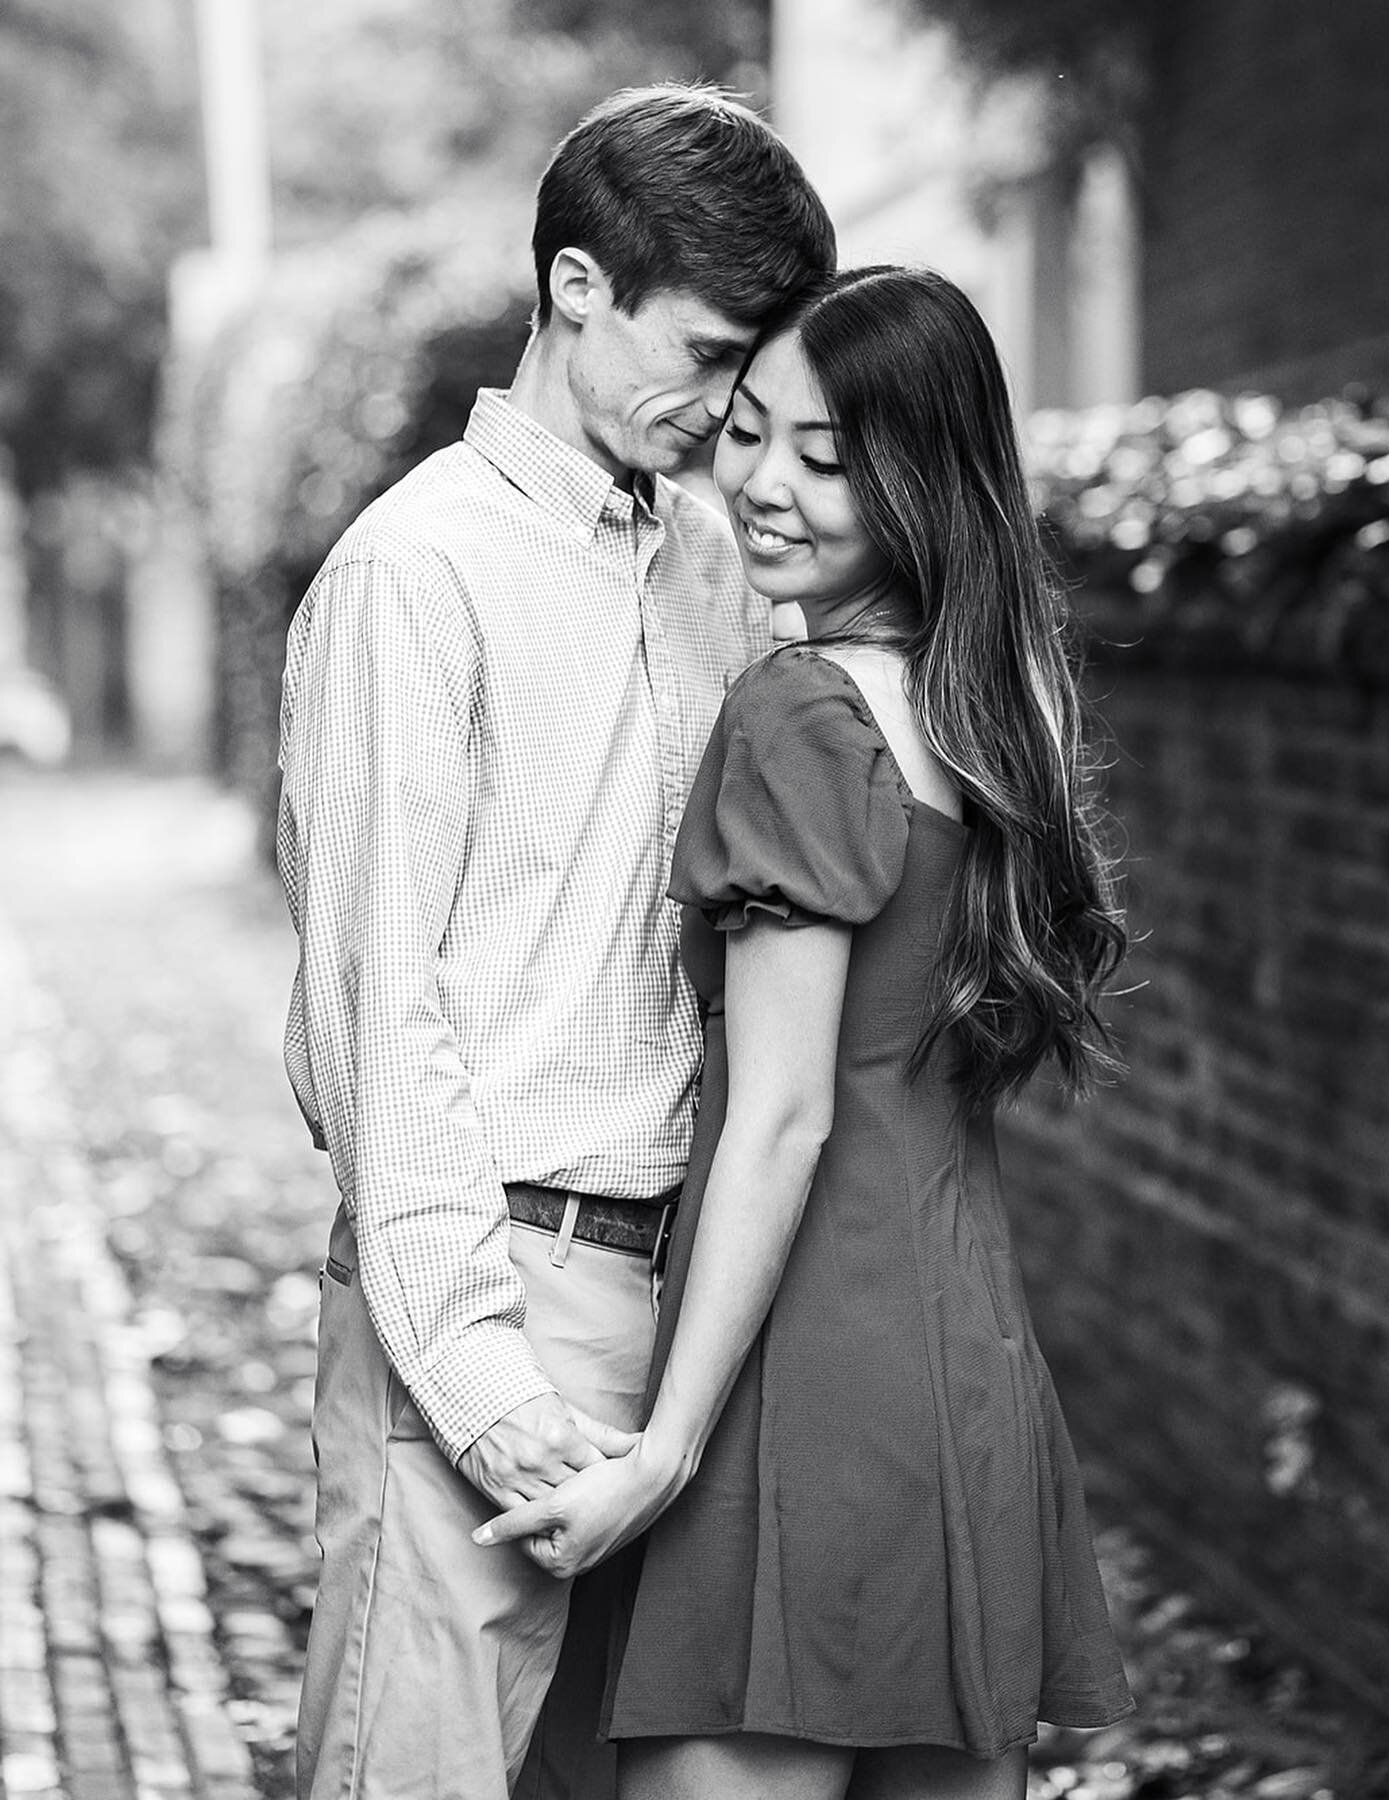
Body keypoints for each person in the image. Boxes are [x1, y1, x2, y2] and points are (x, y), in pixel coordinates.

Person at [478, 267, 1136, 1800]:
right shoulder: (989, 716)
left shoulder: (803, 714)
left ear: (922, 472)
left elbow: (783, 1116)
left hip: (802, 1366)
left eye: (828, 458)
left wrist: (663, 1448)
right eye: (752, 431)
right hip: (966, 1366)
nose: (764, 486)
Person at [276, 85, 835, 1800]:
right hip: (497, 1282)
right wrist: (476, 1374)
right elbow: (380, 1019)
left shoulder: (716, 565)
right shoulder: (414, 574)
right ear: (578, 287)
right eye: (712, 346)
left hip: (693, 1315)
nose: (732, 400)